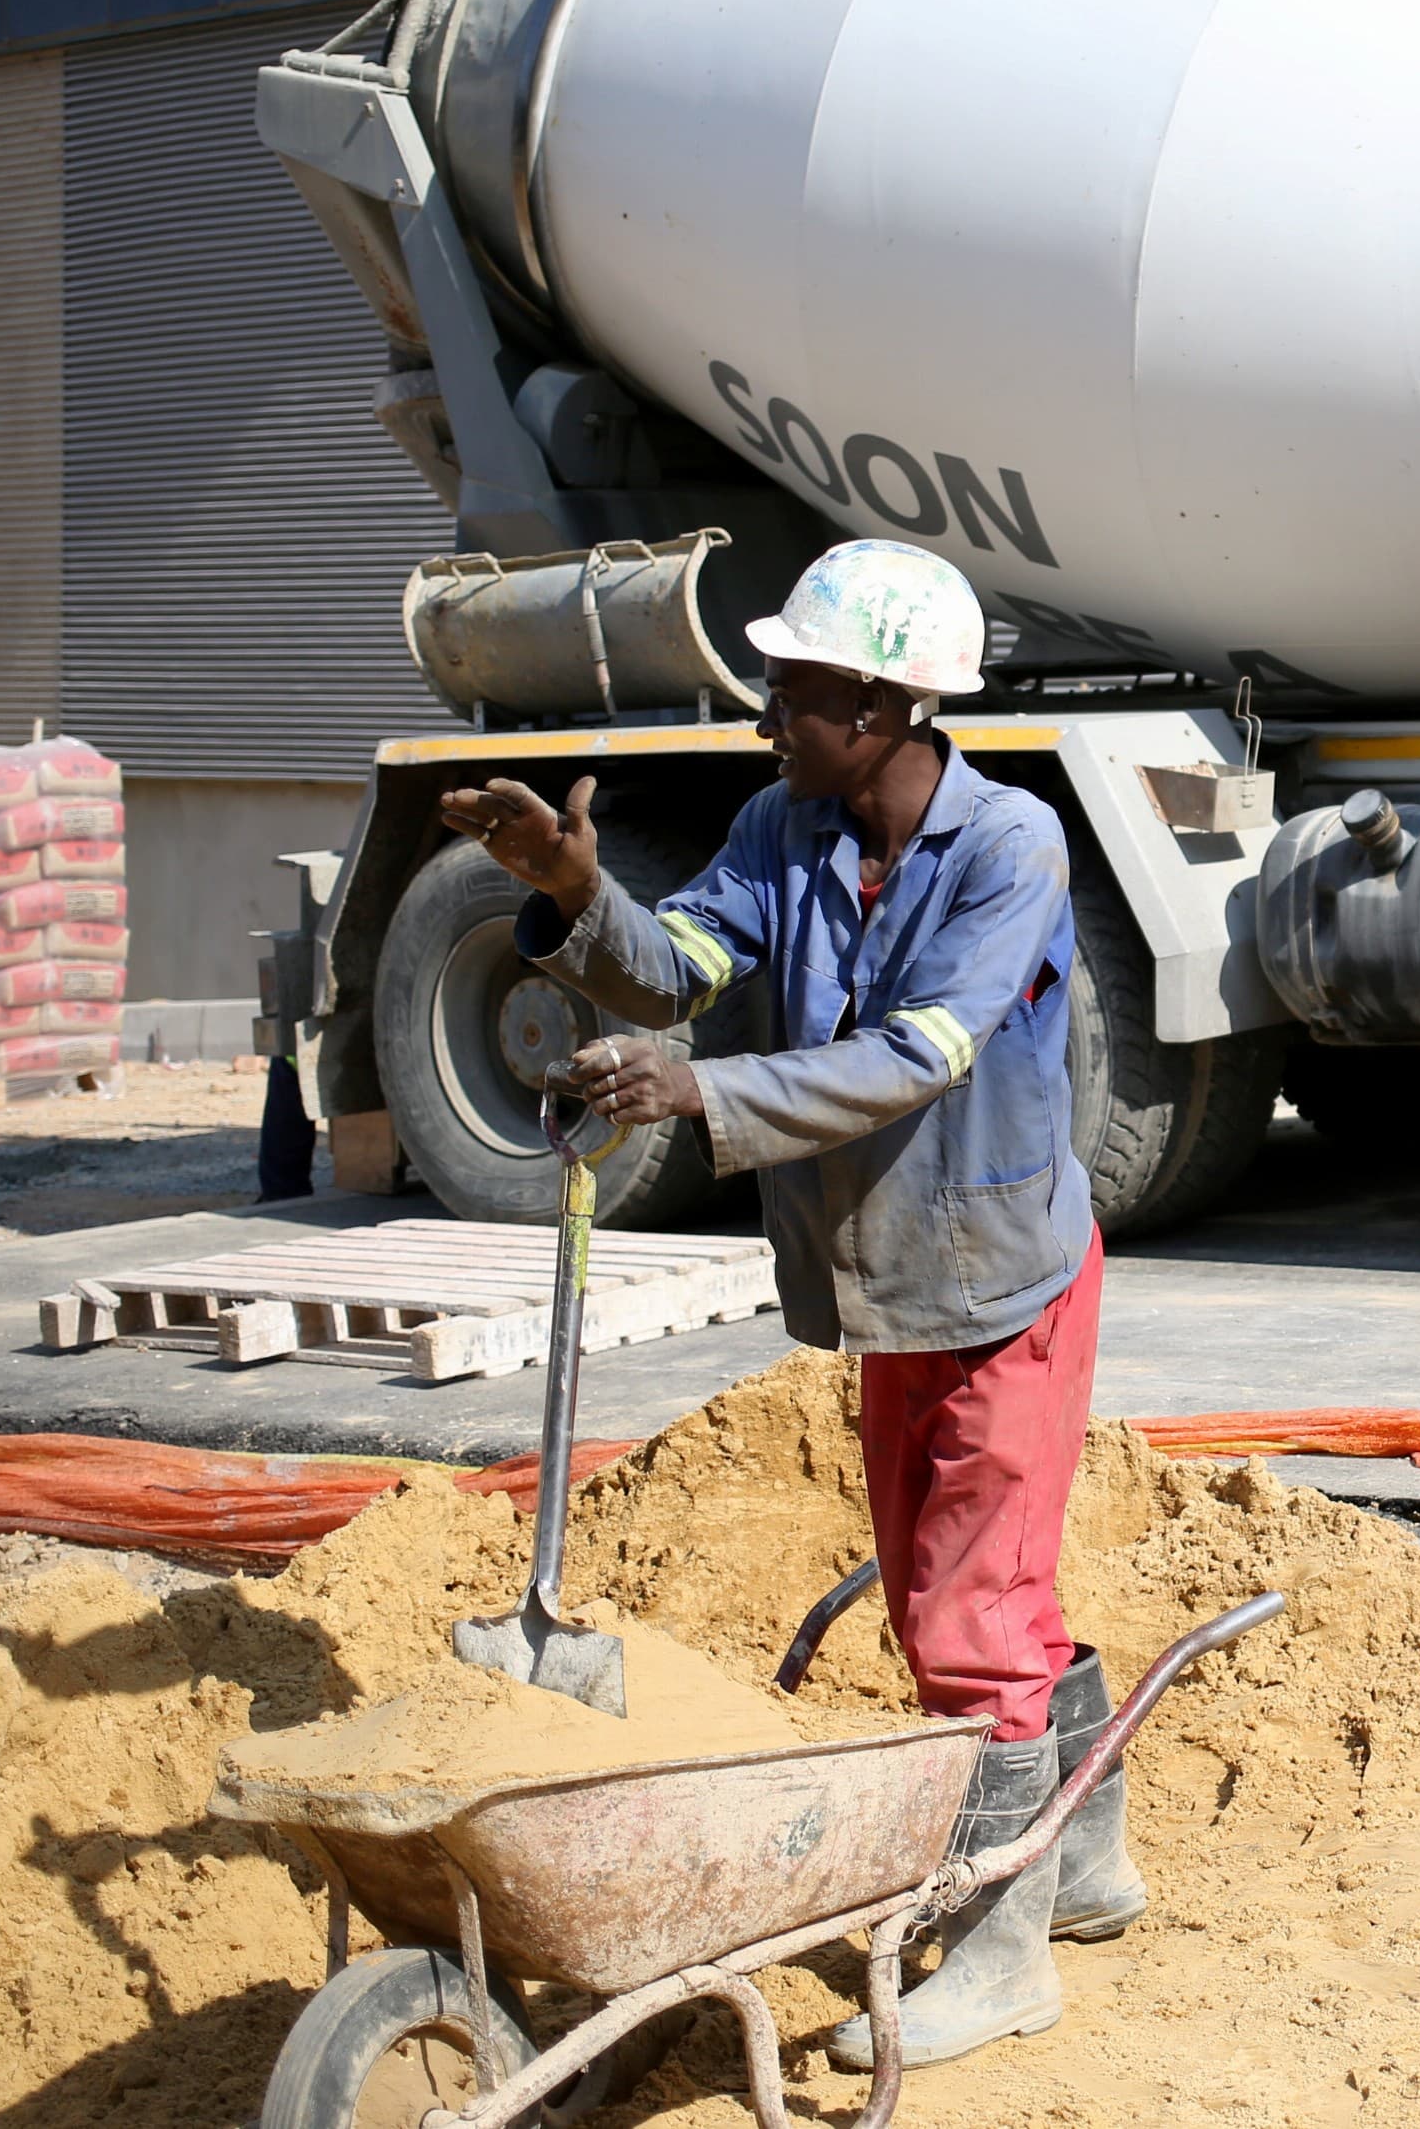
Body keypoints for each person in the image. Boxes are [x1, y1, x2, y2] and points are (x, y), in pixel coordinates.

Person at [435, 538, 1134, 2070]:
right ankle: (1083, 1864)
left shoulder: (1009, 847)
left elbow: (922, 1051)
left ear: (881, 708)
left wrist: (699, 1090)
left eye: (797, 689)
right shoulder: (781, 823)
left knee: (967, 1618)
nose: (766, 711)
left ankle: (1004, 1947)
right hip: (891, 1277)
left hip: (1003, 1281)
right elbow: (681, 958)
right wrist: (575, 889)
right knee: (958, 1591)